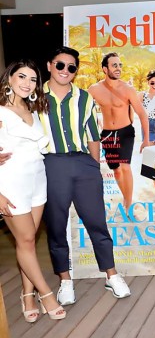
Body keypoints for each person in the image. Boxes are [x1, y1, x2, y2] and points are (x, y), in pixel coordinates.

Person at [40, 47, 131, 305]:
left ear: (75, 71)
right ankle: (65, 281)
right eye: (60, 65)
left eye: (71, 67)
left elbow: (93, 135)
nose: (65, 71)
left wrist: (93, 166)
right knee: (57, 227)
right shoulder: (35, 98)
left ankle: (111, 275)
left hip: (83, 164)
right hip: (51, 164)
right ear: (49, 65)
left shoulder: (84, 98)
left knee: (97, 223)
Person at [0, 60, 66, 321]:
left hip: (38, 181)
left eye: (33, 79)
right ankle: (46, 293)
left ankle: (27, 295)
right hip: (11, 184)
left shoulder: (32, 108)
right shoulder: (1, 112)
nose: (28, 83)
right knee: (26, 241)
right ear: (9, 80)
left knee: (25, 242)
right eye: (22, 77)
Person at [88, 52, 149, 211]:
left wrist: (146, 139)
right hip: (108, 135)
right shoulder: (94, 89)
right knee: (116, 171)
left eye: (120, 65)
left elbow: (142, 114)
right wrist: (95, 119)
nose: (118, 68)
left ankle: (128, 204)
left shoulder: (128, 89)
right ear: (105, 69)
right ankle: (125, 196)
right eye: (114, 65)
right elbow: (83, 111)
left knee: (125, 167)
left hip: (125, 133)